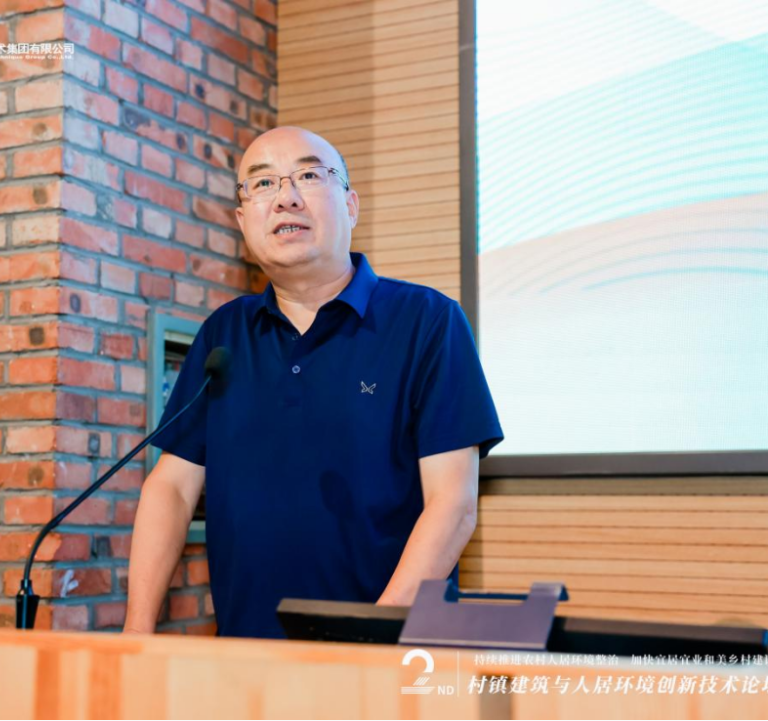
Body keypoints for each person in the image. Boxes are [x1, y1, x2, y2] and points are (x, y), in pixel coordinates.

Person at [123, 126, 504, 639]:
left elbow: (453, 505)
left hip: (392, 653)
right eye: (263, 184)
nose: (286, 197)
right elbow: (171, 486)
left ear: (350, 205)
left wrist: (373, 636)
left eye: (308, 175)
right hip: (246, 657)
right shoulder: (223, 334)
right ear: (242, 221)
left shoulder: (428, 322)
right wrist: (136, 632)